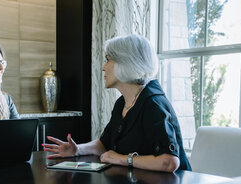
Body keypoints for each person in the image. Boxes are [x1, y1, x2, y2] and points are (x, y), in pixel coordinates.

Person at [43, 34, 191, 173]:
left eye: (108, 60)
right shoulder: (122, 103)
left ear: (125, 63)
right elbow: (104, 144)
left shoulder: (153, 104)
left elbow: (169, 162)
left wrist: (122, 159)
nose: (103, 67)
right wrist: (77, 150)